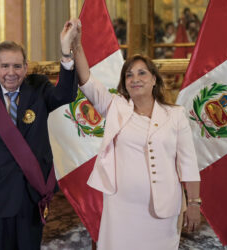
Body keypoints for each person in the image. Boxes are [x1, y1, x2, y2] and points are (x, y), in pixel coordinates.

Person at [65, 19, 201, 249]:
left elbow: (188, 163)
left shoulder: (175, 115)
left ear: (154, 79)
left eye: (142, 73)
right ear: (124, 83)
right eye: (129, 75)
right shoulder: (115, 106)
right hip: (121, 209)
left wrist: (195, 203)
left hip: (165, 210)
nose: (135, 79)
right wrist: (75, 44)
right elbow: (86, 80)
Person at [0, 22, 78, 250]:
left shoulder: (39, 89)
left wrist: (66, 52)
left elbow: (65, 94)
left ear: (26, 67)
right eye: (5, 66)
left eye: (17, 66)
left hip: (31, 200)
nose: (11, 73)